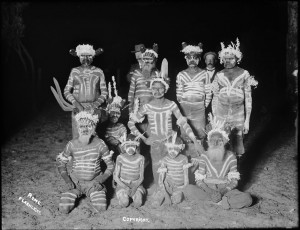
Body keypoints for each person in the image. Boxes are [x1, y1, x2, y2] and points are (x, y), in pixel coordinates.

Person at [128, 62, 203, 193]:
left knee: (173, 171)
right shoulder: (147, 106)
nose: (157, 91)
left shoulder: (171, 105)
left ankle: (173, 190)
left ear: (166, 89)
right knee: (159, 176)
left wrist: (195, 140)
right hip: (155, 144)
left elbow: (183, 122)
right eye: (154, 88)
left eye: (160, 88)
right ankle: (161, 190)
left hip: (170, 144)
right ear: (151, 89)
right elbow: (130, 123)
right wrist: (145, 139)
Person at [56, 111, 114, 214]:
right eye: (82, 126)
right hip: (75, 182)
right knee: (64, 208)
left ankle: (93, 194)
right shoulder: (72, 144)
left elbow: (111, 166)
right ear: (78, 128)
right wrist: (67, 180)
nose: (85, 129)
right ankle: (75, 194)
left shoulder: (100, 144)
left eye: (88, 126)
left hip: (94, 183)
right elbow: (61, 162)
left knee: (101, 207)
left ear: (93, 128)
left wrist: (101, 179)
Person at [192, 113, 252, 209]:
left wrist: (223, 191)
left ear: (224, 142)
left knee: (248, 198)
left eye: (219, 141)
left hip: (225, 189)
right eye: (212, 141)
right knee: (188, 189)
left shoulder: (231, 156)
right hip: (208, 188)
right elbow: (199, 180)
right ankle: (220, 202)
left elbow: (234, 180)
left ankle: (220, 202)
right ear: (208, 142)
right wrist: (210, 191)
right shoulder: (204, 156)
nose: (215, 143)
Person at [211, 38, 258, 158]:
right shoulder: (219, 74)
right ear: (222, 59)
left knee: (237, 140)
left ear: (237, 59)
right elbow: (215, 97)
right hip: (221, 113)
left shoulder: (244, 74)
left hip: (238, 113)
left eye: (231, 59)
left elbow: (248, 98)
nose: (228, 61)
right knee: (222, 141)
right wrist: (215, 117)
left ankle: (235, 170)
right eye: (225, 59)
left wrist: (247, 121)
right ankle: (224, 170)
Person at [64, 44, 108, 139]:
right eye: (83, 56)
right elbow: (66, 91)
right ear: (79, 57)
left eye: (89, 56)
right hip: (77, 109)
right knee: (78, 137)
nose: (86, 59)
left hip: (94, 109)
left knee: (93, 137)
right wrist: (76, 103)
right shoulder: (74, 71)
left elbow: (104, 92)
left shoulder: (99, 71)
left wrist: (95, 105)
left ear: (93, 57)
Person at [176, 42, 212, 145]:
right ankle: (187, 154)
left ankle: (199, 154)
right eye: (189, 57)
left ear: (199, 59)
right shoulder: (181, 74)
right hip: (185, 106)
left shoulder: (204, 74)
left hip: (199, 107)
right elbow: (179, 92)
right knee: (185, 130)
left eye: (195, 57)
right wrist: (182, 104)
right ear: (185, 59)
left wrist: (203, 105)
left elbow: (208, 91)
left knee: (200, 131)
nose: (192, 60)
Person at [152, 131, 195, 207]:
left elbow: (186, 179)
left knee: (177, 200)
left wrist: (184, 191)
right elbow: (161, 181)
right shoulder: (165, 160)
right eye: (170, 148)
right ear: (167, 148)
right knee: (156, 203)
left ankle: (174, 196)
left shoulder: (184, 159)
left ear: (181, 148)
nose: (173, 151)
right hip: (167, 186)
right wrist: (166, 196)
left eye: (176, 149)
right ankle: (162, 195)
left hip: (179, 188)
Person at [113, 133, 145, 208]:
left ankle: (138, 194)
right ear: (124, 147)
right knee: (124, 203)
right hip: (123, 184)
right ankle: (123, 195)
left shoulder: (141, 158)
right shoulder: (120, 158)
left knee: (138, 203)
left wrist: (134, 188)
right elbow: (116, 177)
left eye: (133, 146)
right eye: (128, 146)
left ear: (136, 146)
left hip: (136, 184)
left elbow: (141, 177)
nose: (130, 149)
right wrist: (125, 187)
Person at [105, 76, 127, 162]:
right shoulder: (105, 126)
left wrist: (120, 142)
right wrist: (113, 141)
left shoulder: (121, 126)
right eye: (112, 113)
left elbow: (124, 135)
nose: (114, 116)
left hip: (120, 146)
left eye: (117, 114)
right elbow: (106, 137)